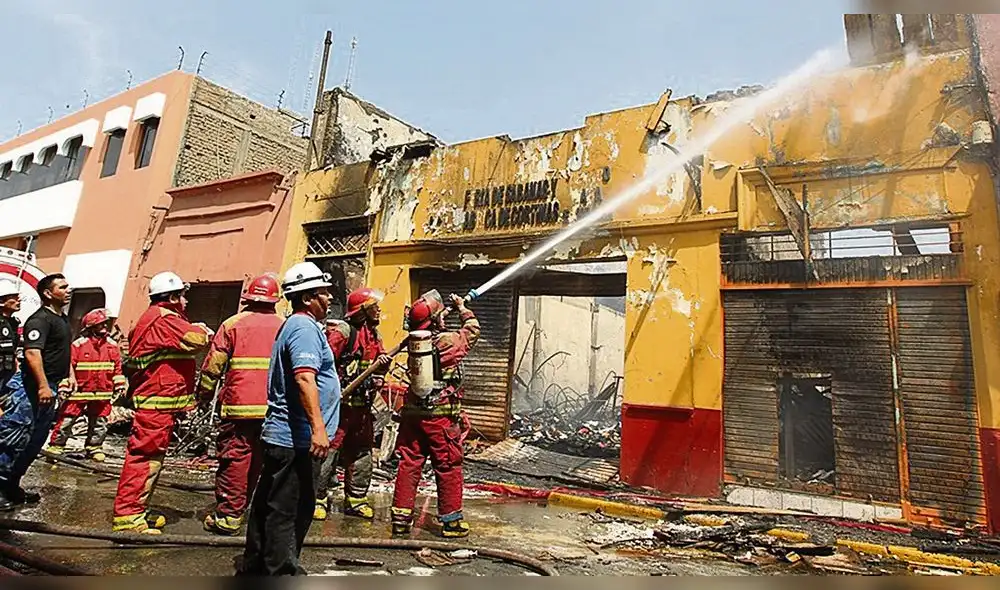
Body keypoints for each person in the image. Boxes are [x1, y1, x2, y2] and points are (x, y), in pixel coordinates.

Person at [239, 261, 339, 576]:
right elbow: (304, 378)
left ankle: (255, 566)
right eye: (323, 293)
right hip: (296, 439)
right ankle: (280, 571)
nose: (329, 298)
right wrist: (318, 429)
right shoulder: (304, 328)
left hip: (284, 435)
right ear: (307, 297)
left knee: (269, 505)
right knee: (291, 510)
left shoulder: (296, 326)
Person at [112, 271, 212, 534]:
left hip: (159, 401)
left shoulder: (157, 318)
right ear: (173, 297)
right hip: (156, 402)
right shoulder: (163, 318)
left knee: (151, 458)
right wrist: (202, 329)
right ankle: (129, 516)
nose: (186, 302)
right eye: (183, 296)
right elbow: (197, 340)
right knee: (145, 458)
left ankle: (138, 510)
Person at [198, 273, 283, 535]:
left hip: (238, 407)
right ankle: (248, 509)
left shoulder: (233, 324)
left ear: (248, 298)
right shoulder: (285, 325)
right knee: (260, 460)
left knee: (235, 459)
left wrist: (203, 395)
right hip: (272, 408)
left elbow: (213, 367)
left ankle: (228, 516)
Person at [390, 290, 479, 538]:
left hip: (412, 417)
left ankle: (400, 520)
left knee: (409, 464)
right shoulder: (447, 341)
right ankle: (451, 522)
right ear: (435, 319)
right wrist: (462, 308)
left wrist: (439, 315)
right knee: (448, 465)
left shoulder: (414, 342)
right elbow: (472, 331)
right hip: (439, 418)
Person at [313, 287, 391, 521]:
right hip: (339, 407)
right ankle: (317, 499)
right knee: (328, 453)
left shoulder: (375, 335)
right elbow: (322, 364)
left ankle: (356, 499)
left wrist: (381, 368)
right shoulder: (343, 333)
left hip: (362, 409)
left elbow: (380, 364)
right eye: (373, 307)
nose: (378, 310)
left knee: (362, 453)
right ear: (362, 311)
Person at [0, 274, 73, 511]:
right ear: (48, 294)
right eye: (63, 287)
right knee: (13, 440)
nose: (68, 290)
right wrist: (42, 385)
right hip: (31, 389)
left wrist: (70, 376)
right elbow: (32, 353)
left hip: (49, 387)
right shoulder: (40, 320)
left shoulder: (62, 320)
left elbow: (63, 351)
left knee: (34, 443)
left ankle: (12, 485)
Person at [47, 308, 126, 462]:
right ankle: (56, 447)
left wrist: (120, 385)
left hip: (102, 392)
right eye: (100, 324)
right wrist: (64, 387)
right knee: (67, 420)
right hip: (79, 392)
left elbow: (117, 368)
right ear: (91, 327)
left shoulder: (111, 345)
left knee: (100, 422)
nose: (104, 326)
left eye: (105, 323)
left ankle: (94, 447)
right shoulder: (78, 345)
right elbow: (68, 368)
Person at [0, 280, 20, 396]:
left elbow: (12, 349)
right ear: (2, 301)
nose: (19, 300)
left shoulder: (13, 323)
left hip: (8, 373)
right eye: (14, 297)